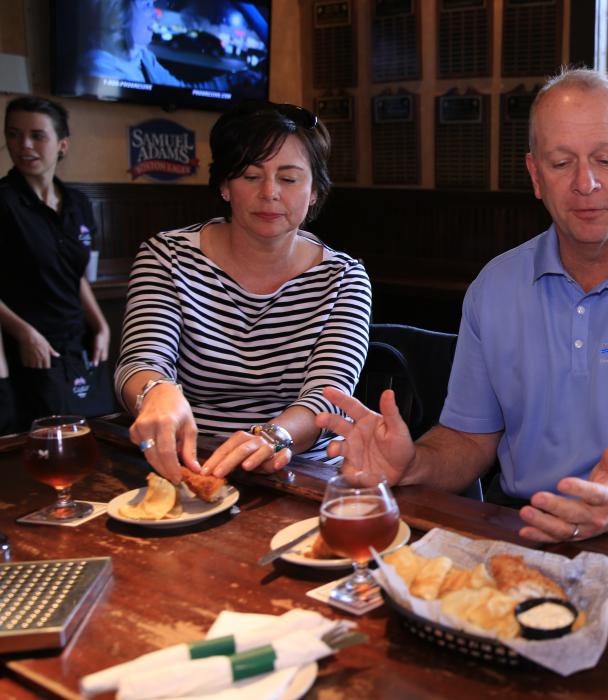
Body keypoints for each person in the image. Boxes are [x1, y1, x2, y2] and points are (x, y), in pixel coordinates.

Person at [316, 68, 608, 546]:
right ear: (535, 176)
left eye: (606, 159)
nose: (585, 183)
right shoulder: (497, 285)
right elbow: (468, 441)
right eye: (561, 162)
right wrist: (411, 464)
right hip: (521, 531)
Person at [115, 100, 371, 483]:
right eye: (251, 176)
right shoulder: (167, 256)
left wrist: (274, 437)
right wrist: (155, 391)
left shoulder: (343, 277)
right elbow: (141, 359)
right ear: (224, 186)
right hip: (191, 464)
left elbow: (326, 396)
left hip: (303, 472)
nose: (269, 192)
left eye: (288, 178)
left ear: (314, 191)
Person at [0, 96, 112, 433]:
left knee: (98, 432)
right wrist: (25, 334)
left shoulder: (77, 202)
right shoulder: (4, 201)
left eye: (37, 135)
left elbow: (74, 275)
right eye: (14, 134)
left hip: (79, 339)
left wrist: (102, 325)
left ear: (62, 144)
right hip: (31, 344)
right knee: (49, 442)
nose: (25, 145)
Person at [79, 0, 261, 92]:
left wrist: (232, 80)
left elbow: (181, 92)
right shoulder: (99, 68)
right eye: (146, 5)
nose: (155, 14)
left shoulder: (143, 57)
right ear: (119, 13)